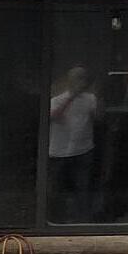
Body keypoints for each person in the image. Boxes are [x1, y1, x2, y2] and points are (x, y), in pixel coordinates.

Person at [48, 65, 99, 221]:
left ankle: (82, 220)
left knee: (82, 188)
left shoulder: (90, 99)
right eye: (77, 78)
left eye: (83, 78)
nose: (80, 82)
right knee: (58, 188)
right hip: (59, 151)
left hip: (83, 150)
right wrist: (71, 97)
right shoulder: (56, 100)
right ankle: (57, 219)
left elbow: (100, 119)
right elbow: (53, 117)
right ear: (69, 81)